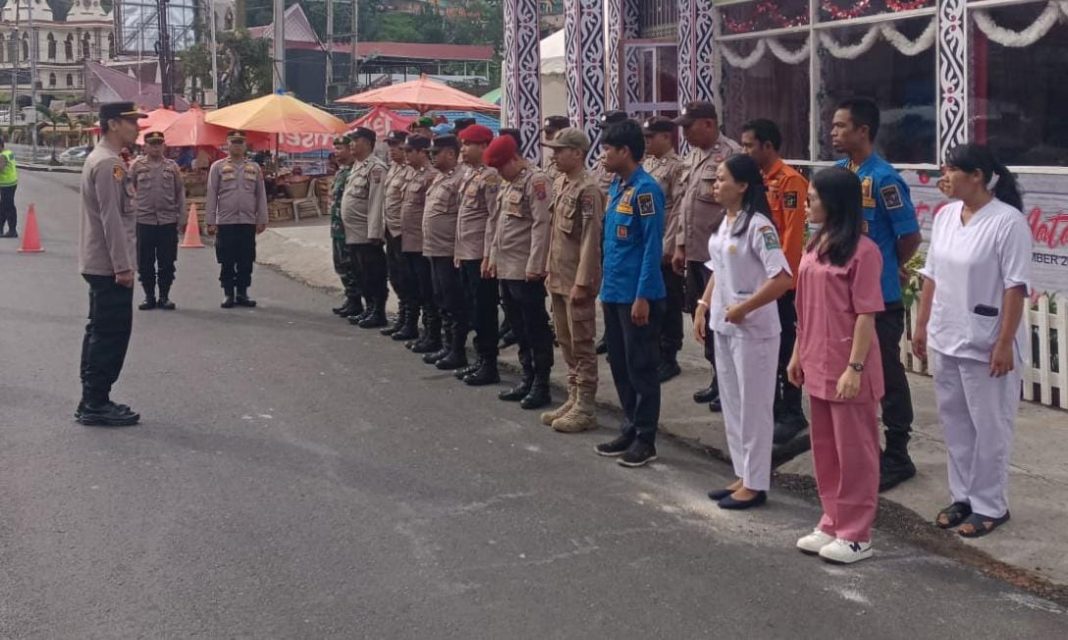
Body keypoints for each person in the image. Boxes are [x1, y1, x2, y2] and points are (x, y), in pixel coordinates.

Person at [913, 144, 1030, 539]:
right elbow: (931, 275)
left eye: (949, 170)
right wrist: (922, 325)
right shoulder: (946, 216)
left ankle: (991, 505)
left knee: (990, 426)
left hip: (985, 342)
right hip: (948, 336)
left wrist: (1003, 343)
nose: (942, 178)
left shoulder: (1007, 222)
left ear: (976, 175)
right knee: (956, 423)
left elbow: (1016, 287)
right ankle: (962, 495)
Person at [788, 166, 885, 564]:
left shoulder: (864, 252)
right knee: (825, 448)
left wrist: (855, 368)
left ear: (834, 201)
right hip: (815, 359)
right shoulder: (815, 245)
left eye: (813, 197)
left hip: (848, 365)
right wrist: (797, 353)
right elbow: (804, 308)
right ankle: (831, 519)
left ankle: (856, 532)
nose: (808, 203)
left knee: (856, 452)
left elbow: (866, 314)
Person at [832, 98, 922, 492]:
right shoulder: (838, 175)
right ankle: (858, 447)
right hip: (843, 293)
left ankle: (898, 454)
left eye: (840, 126)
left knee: (885, 373)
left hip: (880, 297)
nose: (833, 132)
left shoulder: (885, 179)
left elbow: (910, 236)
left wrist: (887, 264)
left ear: (863, 131)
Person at [694, 154, 793, 508]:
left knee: (754, 407)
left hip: (754, 332)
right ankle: (742, 473)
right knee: (734, 405)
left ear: (743, 186)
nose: (715, 185)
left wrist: (745, 307)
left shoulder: (759, 227)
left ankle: (756, 482)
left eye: (721, 179)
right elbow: (718, 269)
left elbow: (781, 279)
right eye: (715, 179)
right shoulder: (726, 221)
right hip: (725, 325)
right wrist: (704, 305)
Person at [593, 120, 666, 467]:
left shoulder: (646, 190)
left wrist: (643, 296)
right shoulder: (616, 187)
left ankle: (646, 438)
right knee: (619, 364)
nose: (603, 155)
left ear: (625, 151)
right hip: (614, 290)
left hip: (636, 294)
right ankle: (629, 425)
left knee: (641, 367)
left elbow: (652, 246)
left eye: (608, 149)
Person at [76, 102, 147, 427]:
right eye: (132, 122)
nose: (137, 127)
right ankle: (96, 402)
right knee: (111, 334)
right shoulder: (108, 164)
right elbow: (112, 220)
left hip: (101, 263)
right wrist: (123, 267)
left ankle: (92, 398)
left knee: (99, 332)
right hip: (109, 266)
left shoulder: (106, 159)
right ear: (114, 124)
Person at [741, 118, 810, 446]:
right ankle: (770, 408)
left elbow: (791, 236)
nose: (745, 150)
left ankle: (792, 412)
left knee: (785, 349)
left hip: (780, 284)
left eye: (749, 145)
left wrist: (777, 279)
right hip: (757, 281)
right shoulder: (754, 182)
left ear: (767, 146)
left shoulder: (790, 181)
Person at [673, 101, 743, 412]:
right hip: (696, 251)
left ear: (709, 124)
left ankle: (729, 384)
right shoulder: (693, 156)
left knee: (721, 321)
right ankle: (717, 378)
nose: (685, 132)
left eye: (689, 126)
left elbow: (738, 208)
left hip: (720, 257)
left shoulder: (731, 154)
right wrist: (679, 244)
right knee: (701, 318)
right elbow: (684, 204)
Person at [540, 127, 605, 433]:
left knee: (581, 342)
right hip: (558, 275)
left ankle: (586, 407)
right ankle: (573, 395)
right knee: (565, 341)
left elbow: (591, 239)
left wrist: (583, 280)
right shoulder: (562, 182)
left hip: (576, 279)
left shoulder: (588, 189)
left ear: (577, 153)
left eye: (559, 150)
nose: (553, 155)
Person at [484, 134, 555, 410]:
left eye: (502, 166)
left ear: (515, 159)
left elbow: (542, 225)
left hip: (526, 270)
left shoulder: (536, 181)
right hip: (507, 266)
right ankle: (527, 377)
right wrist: (492, 257)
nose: (499, 173)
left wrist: (536, 265)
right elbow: (499, 223)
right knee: (518, 327)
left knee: (535, 328)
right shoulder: (508, 182)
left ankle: (542, 383)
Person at [455, 125, 502, 386]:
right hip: (467, 252)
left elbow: (493, 219)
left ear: (484, 146)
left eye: (467, 144)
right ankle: (480, 360)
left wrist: (488, 255)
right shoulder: (469, 174)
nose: (462, 149)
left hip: (480, 256)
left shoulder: (491, 177)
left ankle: (489, 363)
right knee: (473, 309)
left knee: (484, 311)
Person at [641, 116, 687, 382]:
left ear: (666, 138)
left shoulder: (676, 167)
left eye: (651, 137)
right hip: (648, 240)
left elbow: (679, 208)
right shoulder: (647, 165)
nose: (647, 142)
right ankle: (656, 350)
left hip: (665, 241)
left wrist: (670, 245)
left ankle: (669, 355)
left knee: (669, 302)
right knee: (653, 301)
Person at [205, 130, 269, 309]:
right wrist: (210, 220)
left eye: (240, 142)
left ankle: (242, 292)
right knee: (226, 259)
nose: (237, 146)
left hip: (247, 222)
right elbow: (212, 194)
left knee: (246, 259)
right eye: (234, 142)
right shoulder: (217, 167)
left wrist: (262, 218)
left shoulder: (254, 168)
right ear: (227, 144)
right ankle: (228, 293)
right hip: (226, 222)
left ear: (245, 145)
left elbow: (260, 194)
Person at [422, 135, 470, 369]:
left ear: (451, 154)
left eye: (436, 152)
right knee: (441, 299)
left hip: (449, 251)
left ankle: (457, 350)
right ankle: (448, 346)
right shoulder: (439, 177)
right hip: (434, 249)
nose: (431, 156)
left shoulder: (461, 179)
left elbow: (464, 218)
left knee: (454, 302)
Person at [131, 130, 186, 311]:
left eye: (159, 144)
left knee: (167, 262)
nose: (155, 147)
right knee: (145, 262)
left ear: (164, 145)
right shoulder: (136, 166)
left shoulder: (172, 167)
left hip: (167, 221)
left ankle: (164, 296)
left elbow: (180, 193)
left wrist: (182, 216)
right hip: (144, 221)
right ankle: (149, 296)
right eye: (152, 144)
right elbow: (126, 189)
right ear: (145, 146)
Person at [341, 127, 390, 328]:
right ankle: (369, 308)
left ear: (368, 143)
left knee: (373, 275)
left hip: (366, 235)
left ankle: (377, 311)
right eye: (351, 141)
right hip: (353, 234)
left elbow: (376, 203)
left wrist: (375, 232)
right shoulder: (357, 166)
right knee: (361, 274)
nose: (352, 144)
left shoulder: (375, 168)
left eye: (356, 140)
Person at [399, 134, 442, 353]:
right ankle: (426, 332)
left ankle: (433, 334)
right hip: (410, 241)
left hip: (423, 244)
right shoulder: (415, 175)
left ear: (422, 152)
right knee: (416, 287)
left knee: (428, 292)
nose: (405, 154)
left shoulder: (431, 176)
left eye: (409, 151)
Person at [382, 131, 416, 338]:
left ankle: (410, 321)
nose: (392, 149)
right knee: (395, 277)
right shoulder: (393, 168)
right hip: (391, 230)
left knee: (407, 279)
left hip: (404, 233)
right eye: (390, 145)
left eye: (396, 145)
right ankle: (403, 317)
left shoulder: (412, 171)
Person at [328, 135, 363, 318]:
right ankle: (350, 298)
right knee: (340, 264)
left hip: (350, 227)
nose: (337, 152)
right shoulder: (341, 172)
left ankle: (356, 300)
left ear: (350, 150)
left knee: (351, 265)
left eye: (340, 148)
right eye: (336, 149)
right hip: (337, 227)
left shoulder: (355, 171)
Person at [0, 136, 19, 238]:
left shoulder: (2, 156)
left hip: (7, 184)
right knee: (3, 206)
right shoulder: (9, 152)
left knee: (8, 207)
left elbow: (1, 168)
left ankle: (12, 230)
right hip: (11, 182)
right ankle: (1, 229)